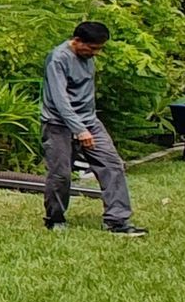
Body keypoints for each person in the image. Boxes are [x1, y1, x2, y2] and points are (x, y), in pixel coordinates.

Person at [41, 20, 145, 236]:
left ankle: (117, 221)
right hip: (58, 125)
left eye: (99, 48)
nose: (96, 53)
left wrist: (87, 125)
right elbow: (60, 102)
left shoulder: (87, 57)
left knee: (112, 165)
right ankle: (55, 218)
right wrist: (79, 130)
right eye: (92, 48)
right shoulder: (58, 58)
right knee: (61, 175)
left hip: (89, 121)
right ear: (77, 41)